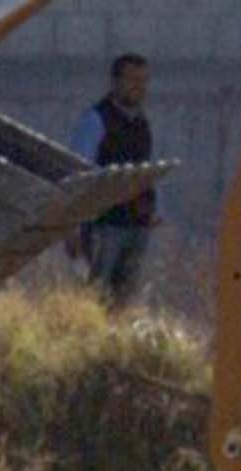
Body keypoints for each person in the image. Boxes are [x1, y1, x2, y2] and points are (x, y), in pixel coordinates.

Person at [70, 53, 160, 308]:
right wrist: (73, 228)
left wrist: (154, 210)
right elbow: (79, 174)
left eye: (143, 81)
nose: (139, 87)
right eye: (132, 80)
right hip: (104, 225)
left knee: (124, 299)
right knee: (96, 296)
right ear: (115, 82)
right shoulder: (95, 120)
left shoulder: (141, 123)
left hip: (136, 224)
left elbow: (144, 168)